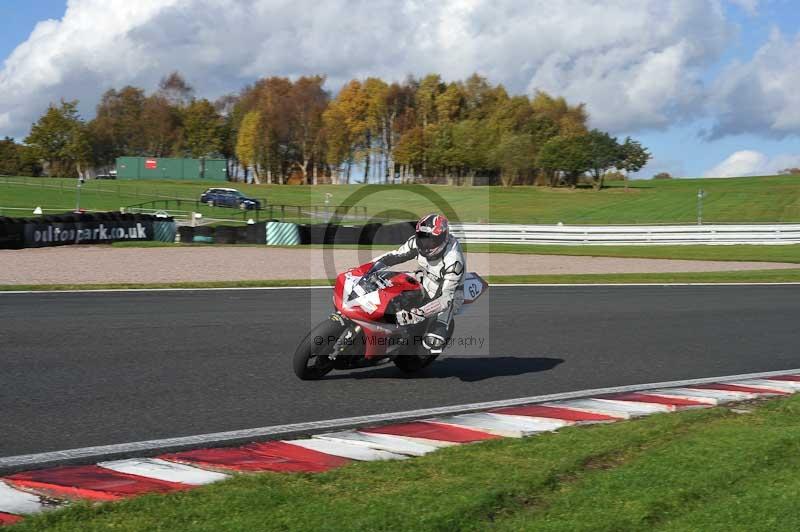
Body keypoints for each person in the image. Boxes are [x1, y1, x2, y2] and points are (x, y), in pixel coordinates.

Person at [365, 213, 465, 355]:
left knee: (433, 341)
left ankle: (438, 328)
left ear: (443, 238)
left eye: (431, 241)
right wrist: (369, 268)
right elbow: (395, 256)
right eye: (423, 238)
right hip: (424, 277)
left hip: (449, 293)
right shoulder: (416, 243)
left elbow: (446, 299)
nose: (425, 244)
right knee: (389, 281)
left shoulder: (454, 262)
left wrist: (419, 313)